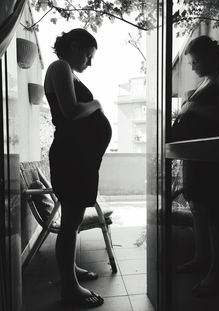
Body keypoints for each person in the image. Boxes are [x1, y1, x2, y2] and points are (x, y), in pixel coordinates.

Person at [44, 28, 112, 308]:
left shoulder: (67, 71)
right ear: (74, 46)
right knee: (71, 223)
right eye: (88, 55)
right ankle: (70, 288)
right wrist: (96, 104)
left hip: (78, 157)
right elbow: (71, 112)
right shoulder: (60, 67)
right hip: (71, 157)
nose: (89, 62)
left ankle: (71, 270)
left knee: (72, 221)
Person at [172, 35, 219, 296]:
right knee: (197, 208)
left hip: (213, 157)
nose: (193, 66)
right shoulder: (205, 81)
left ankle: (216, 272)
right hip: (195, 156)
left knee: (214, 214)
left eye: (196, 61)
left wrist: (191, 108)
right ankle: (201, 258)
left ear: (211, 56)